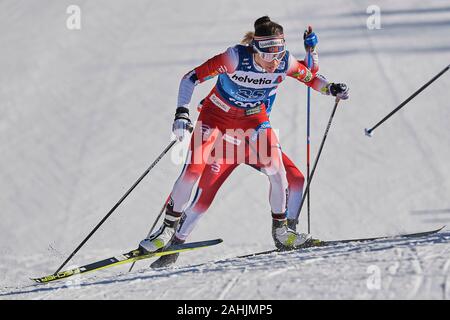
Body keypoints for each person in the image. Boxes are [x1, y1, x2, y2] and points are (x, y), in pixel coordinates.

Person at [139, 16, 349, 258]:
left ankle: (282, 232)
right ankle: (166, 231)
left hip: (253, 120)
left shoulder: (284, 63)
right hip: (215, 117)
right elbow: (191, 78)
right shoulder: (234, 58)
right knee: (192, 172)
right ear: (256, 49)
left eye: (279, 54)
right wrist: (181, 113)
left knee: (278, 171)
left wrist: (331, 88)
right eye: (269, 56)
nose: (274, 62)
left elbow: (311, 78)